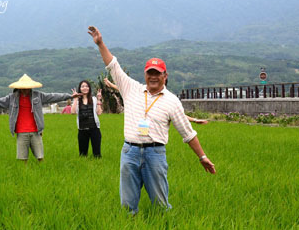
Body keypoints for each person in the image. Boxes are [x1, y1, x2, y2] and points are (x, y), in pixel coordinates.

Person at [88, 26, 216, 214]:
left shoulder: (172, 101)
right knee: (127, 205)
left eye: (158, 73)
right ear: (145, 74)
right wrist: (100, 44)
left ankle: (163, 227)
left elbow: (188, 133)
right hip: (130, 151)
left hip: (154, 153)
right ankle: (129, 229)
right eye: (150, 73)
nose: (153, 77)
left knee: (160, 204)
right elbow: (113, 65)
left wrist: (202, 157)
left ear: (165, 76)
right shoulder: (132, 88)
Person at [0, 74, 76, 162]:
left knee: (40, 157)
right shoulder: (12, 98)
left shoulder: (38, 96)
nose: (26, 89)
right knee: (22, 159)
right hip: (21, 132)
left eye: (28, 87)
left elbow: (53, 96)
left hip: (36, 131)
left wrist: (69, 96)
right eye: (23, 88)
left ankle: (42, 172)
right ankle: (24, 174)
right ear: (19, 88)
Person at [104, 77, 209, 124]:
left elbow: (180, 115)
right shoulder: (144, 91)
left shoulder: (168, 99)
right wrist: (111, 85)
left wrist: (194, 120)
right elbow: (125, 89)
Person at [70, 80, 103, 157]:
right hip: (82, 130)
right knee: (82, 155)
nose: (85, 88)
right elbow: (73, 112)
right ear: (80, 88)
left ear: (89, 88)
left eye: (86, 86)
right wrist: (75, 99)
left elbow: (99, 113)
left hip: (94, 129)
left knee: (97, 155)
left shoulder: (94, 99)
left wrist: (99, 99)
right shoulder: (78, 101)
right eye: (83, 86)